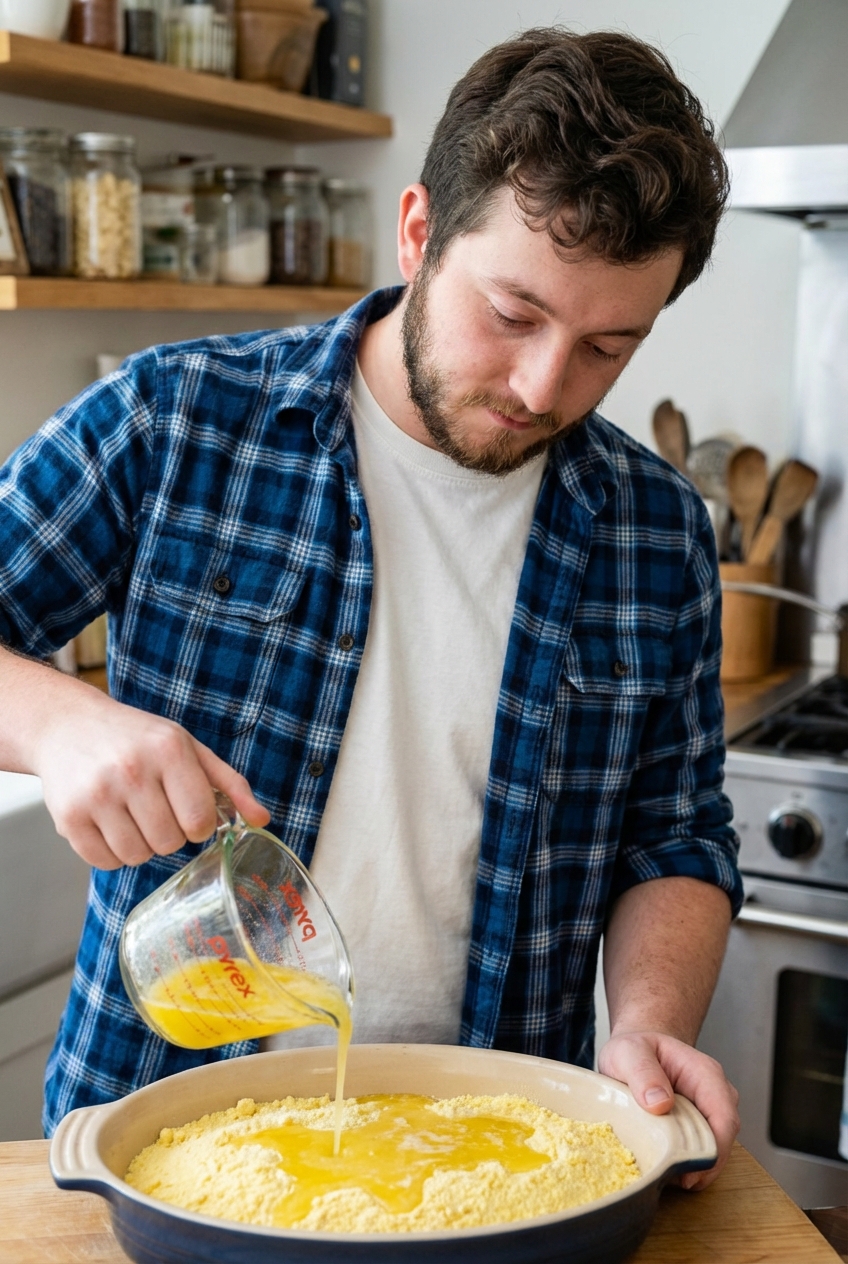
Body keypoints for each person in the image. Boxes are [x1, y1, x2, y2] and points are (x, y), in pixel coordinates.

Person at [0, 27, 741, 1188]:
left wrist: (647, 1017)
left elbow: (676, 830)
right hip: (158, 1145)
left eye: (607, 346)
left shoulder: (654, 530)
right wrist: (55, 722)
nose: (544, 387)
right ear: (416, 234)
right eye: (511, 313)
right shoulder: (175, 422)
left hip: (489, 1165)